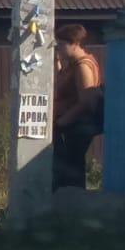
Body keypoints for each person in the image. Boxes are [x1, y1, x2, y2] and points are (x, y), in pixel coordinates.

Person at [53, 23, 103, 190]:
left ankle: (72, 202)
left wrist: (63, 122)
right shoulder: (72, 65)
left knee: (71, 166)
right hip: (69, 123)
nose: (58, 48)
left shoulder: (83, 66)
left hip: (77, 125)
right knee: (65, 165)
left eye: (61, 44)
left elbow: (85, 101)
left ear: (74, 44)